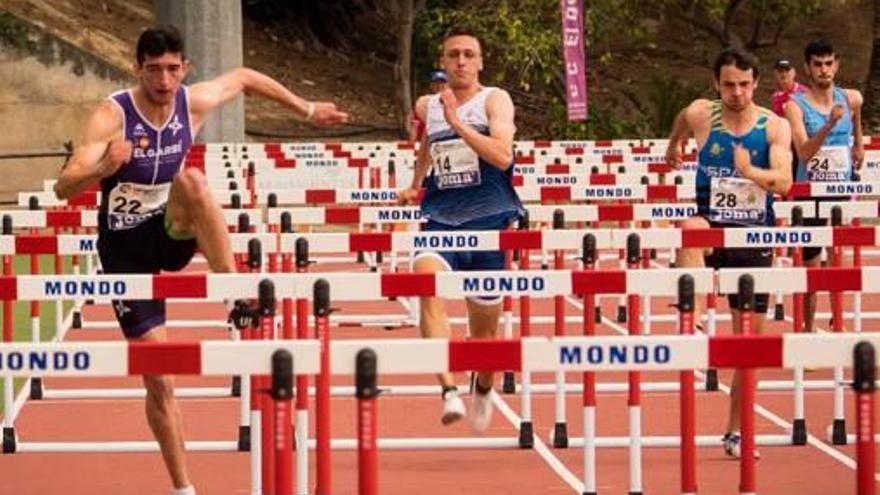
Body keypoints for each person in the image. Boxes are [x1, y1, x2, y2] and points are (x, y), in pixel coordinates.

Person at [53, 25, 348, 495]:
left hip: (168, 231)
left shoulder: (193, 102)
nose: (164, 82)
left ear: (185, 69)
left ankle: (233, 295)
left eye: (173, 70)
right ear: (138, 69)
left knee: (193, 182)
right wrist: (103, 168)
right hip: (125, 250)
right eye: (154, 71)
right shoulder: (113, 114)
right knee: (160, 381)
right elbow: (64, 186)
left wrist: (308, 109)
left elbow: (246, 76)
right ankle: (183, 488)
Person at [666, 47, 792, 458]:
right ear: (716, 85)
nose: (736, 92)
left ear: (756, 83)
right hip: (712, 226)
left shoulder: (773, 127)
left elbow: (785, 182)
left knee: (748, 348)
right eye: (728, 85)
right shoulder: (704, 115)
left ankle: (736, 431)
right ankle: (696, 317)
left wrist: (751, 172)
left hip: (753, 237)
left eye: (743, 84)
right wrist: (674, 146)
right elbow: (683, 118)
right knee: (690, 228)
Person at [398, 29, 522, 432]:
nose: (462, 61)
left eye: (470, 54)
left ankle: (483, 386)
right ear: (443, 62)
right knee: (426, 286)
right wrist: (416, 184)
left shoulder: (494, 100)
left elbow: (503, 157)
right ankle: (448, 389)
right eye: (454, 55)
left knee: (484, 339)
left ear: (481, 62)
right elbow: (428, 145)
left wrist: (459, 124)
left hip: (489, 223)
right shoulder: (427, 105)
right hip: (441, 220)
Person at [784, 39, 864, 334]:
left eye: (829, 63)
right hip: (810, 194)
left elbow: (857, 110)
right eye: (817, 64)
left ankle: (839, 326)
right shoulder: (796, 107)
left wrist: (858, 141)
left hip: (840, 192)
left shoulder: (850, 98)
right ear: (807, 68)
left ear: (837, 65)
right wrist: (829, 126)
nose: (824, 69)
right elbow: (803, 152)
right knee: (812, 266)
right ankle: (807, 330)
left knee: (837, 260)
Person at [408, 69, 448, 144]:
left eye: (442, 83)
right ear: (431, 86)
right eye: (436, 83)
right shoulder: (423, 102)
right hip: (424, 144)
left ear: (447, 85)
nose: (439, 86)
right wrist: (412, 145)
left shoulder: (454, 102)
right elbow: (414, 126)